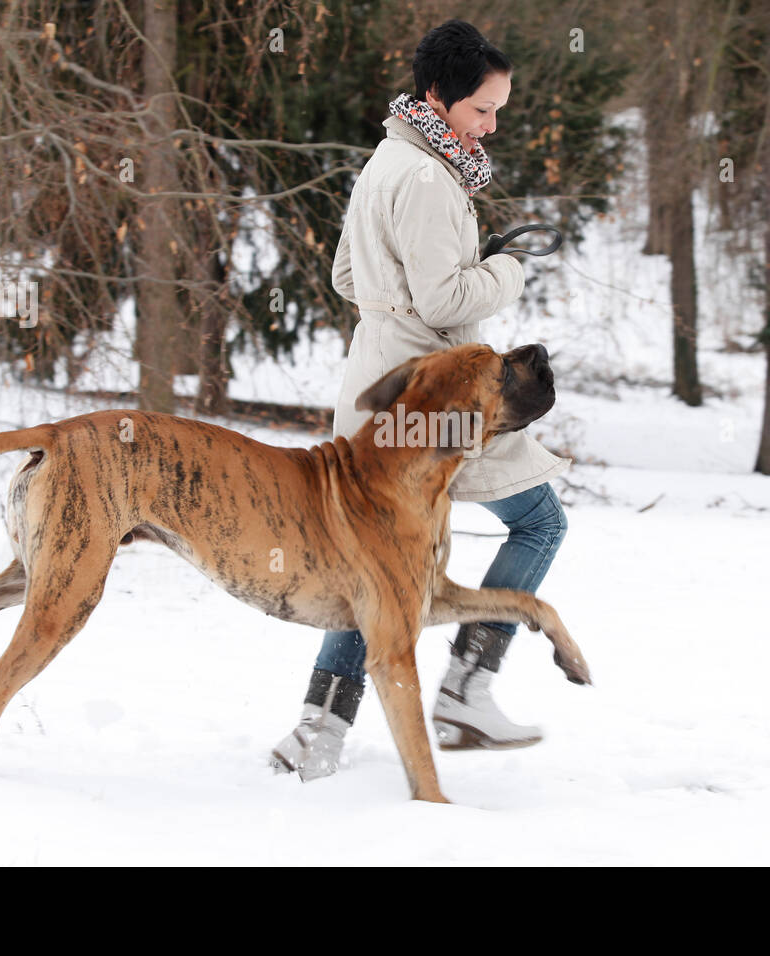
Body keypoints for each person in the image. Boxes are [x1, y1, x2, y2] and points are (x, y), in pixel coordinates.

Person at [269, 19, 570, 780]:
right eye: (482, 110)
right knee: (540, 522)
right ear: (441, 95)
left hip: (376, 384)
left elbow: (345, 278)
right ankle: (468, 687)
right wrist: (506, 271)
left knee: (377, 562)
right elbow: (442, 299)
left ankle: (316, 730)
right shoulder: (430, 178)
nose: (492, 125)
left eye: (498, 110)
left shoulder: (389, 158)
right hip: (438, 395)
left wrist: (394, 300)